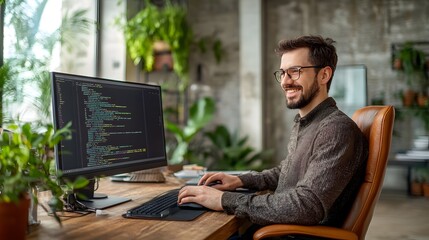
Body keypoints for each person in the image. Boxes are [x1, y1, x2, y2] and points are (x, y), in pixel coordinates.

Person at [178, 35, 369, 236]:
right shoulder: (307, 122)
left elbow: (307, 205)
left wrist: (224, 200)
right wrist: (240, 181)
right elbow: (286, 173)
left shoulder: (335, 129)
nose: (285, 82)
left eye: (295, 72)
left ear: (324, 75)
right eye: (283, 73)